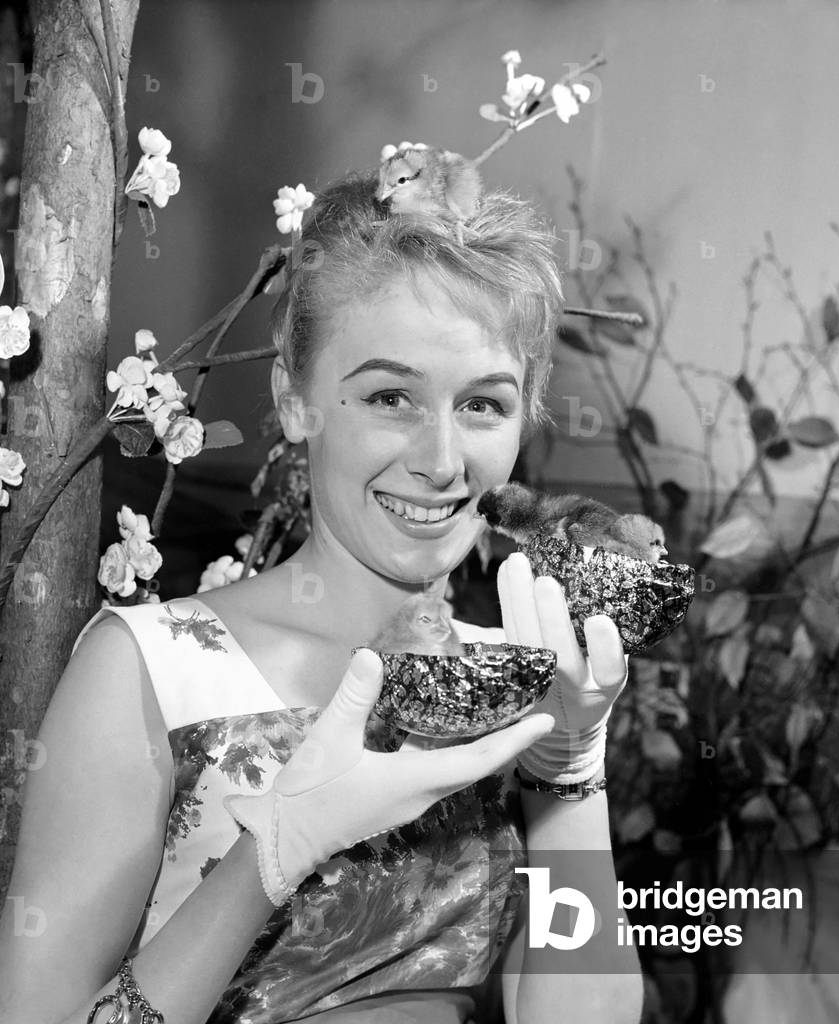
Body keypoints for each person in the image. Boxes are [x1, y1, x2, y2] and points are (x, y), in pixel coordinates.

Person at [0, 171, 644, 1023]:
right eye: (390, 398)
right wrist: (269, 856)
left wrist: (568, 770)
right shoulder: (152, 672)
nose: (442, 460)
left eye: (483, 404)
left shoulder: (520, 682)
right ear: (294, 401)